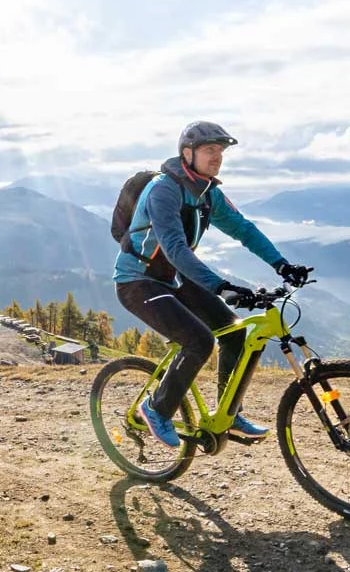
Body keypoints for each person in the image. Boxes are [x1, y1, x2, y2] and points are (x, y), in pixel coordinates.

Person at [114, 122, 312, 448]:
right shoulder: (164, 190)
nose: (217, 157)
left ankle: (229, 415)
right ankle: (156, 408)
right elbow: (175, 248)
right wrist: (220, 286)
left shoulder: (208, 193)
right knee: (199, 341)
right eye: (210, 150)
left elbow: (243, 230)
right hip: (138, 281)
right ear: (187, 153)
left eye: (220, 151)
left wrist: (282, 265)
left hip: (175, 277)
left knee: (234, 332)